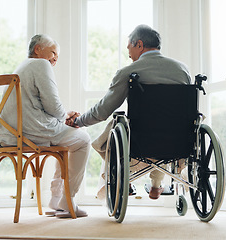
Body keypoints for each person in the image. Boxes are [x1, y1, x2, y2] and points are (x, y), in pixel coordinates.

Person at [68, 24, 191, 200]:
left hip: (141, 140)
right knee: (165, 126)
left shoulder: (129, 72)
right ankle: (156, 185)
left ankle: (124, 180)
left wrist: (79, 121)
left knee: (118, 125)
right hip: (177, 141)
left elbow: (103, 110)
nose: (128, 51)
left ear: (139, 44)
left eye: (129, 46)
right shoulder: (182, 70)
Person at [0, 34, 90, 218]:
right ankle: (66, 200)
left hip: (8, 134)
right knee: (83, 139)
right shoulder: (41, 64)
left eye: (58, 55)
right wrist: (66, 115)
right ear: (38, 49)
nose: (55, 58)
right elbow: (53, 106)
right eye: (53, 52)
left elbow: (45, 108)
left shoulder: (22, 67)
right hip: (28, 133)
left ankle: (57, 199)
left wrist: (64, 116)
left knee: (65, 141)